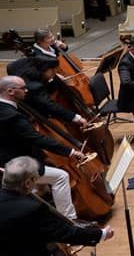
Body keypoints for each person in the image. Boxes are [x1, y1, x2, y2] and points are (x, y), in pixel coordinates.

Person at [0, 76, 91, 221]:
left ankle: (38, 212)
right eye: (23, 88)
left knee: (40, 185)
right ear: (10, 91)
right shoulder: (12, 116)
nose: (26, 90)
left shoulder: (6, 109)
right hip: (14, 165)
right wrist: (71, 152)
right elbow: (38, 139)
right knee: (61, 177)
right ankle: (70, 220)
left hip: (7, 159)